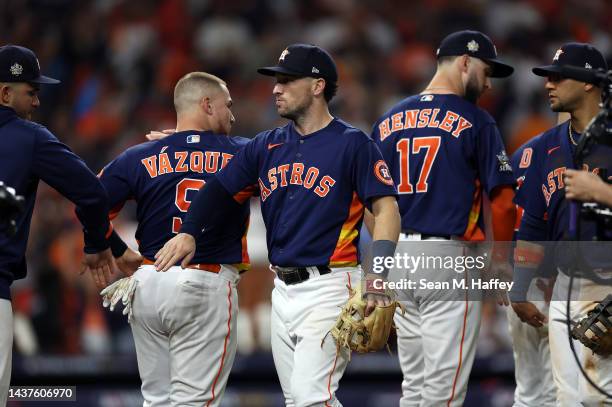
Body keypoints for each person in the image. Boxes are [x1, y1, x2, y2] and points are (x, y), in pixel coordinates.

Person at [155, 43, 401, 407]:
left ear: (318, 86)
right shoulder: (266, 145)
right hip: (282, 291)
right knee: (298, 400)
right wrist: (189, 230)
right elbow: (218, 189)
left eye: (286, 80)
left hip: (331, 286)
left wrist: (378, 276)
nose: (275, 88)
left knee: (311, 399)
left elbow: (387, 210)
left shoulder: (353, 144)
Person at [85, 72, 253, 406]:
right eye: (227, 105)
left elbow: (89, 201)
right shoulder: (244, 153)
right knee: (195, 402)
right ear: (206, 104)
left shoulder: (139, 155)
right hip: (204, 280)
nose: (232, 115)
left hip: (148, 281)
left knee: (156, 400)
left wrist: (115, 249)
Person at [369, 30, 516, 406]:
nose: (487, 83)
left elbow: (370, 203)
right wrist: (499, 261)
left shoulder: (389, 118)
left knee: (414, 387)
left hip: (398, 255)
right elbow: (501, 199)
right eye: (485, 71)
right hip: (447, 257)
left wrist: (384, 262)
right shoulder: (477, 120)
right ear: (465, 62)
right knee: (444, 391)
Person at [0, 44, 113, 405]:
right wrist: (97, 244)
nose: (36, 102)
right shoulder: (28, 137)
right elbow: (93, 194)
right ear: (5, 93)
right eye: (31, 92)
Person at [511, 42, 611, 405]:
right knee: (567, 399)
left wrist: (603, 192)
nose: (548, 84)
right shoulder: (543, 147)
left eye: (557, 77)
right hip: (566, 286)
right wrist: (520, 285)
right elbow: (533, 225)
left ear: (588, 83)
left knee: (598, 397)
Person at [506, 135, 556, 406]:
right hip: (555, 281)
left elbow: (500, 209)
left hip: (519, 278)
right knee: (558, 392)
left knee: (527, 391)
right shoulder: (571, 152)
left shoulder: (521, 152)